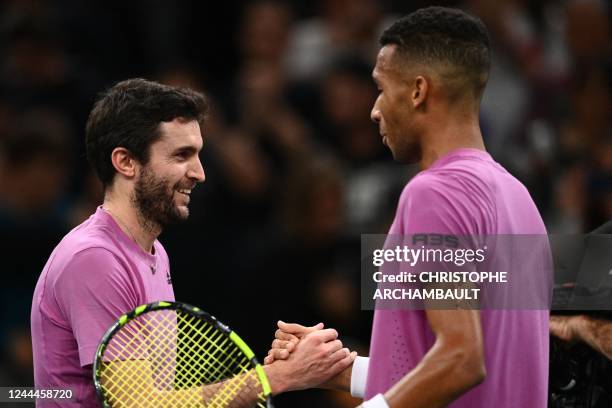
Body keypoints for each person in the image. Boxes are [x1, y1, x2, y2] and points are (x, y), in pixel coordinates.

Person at [266, 7, 550, 408]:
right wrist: (337, 371)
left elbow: (462, 361)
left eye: (381, 88)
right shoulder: (520, 199)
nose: (375, 109)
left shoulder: (433, 194)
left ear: (418, 91)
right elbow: (465, 367)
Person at [30, 78, 355, 407]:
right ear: (125, 162)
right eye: (182, 155)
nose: (199, 173)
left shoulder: (155, 253)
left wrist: (280, 371)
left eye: (198, 154)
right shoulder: (94, 258)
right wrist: (279, 377)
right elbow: (138, 405)